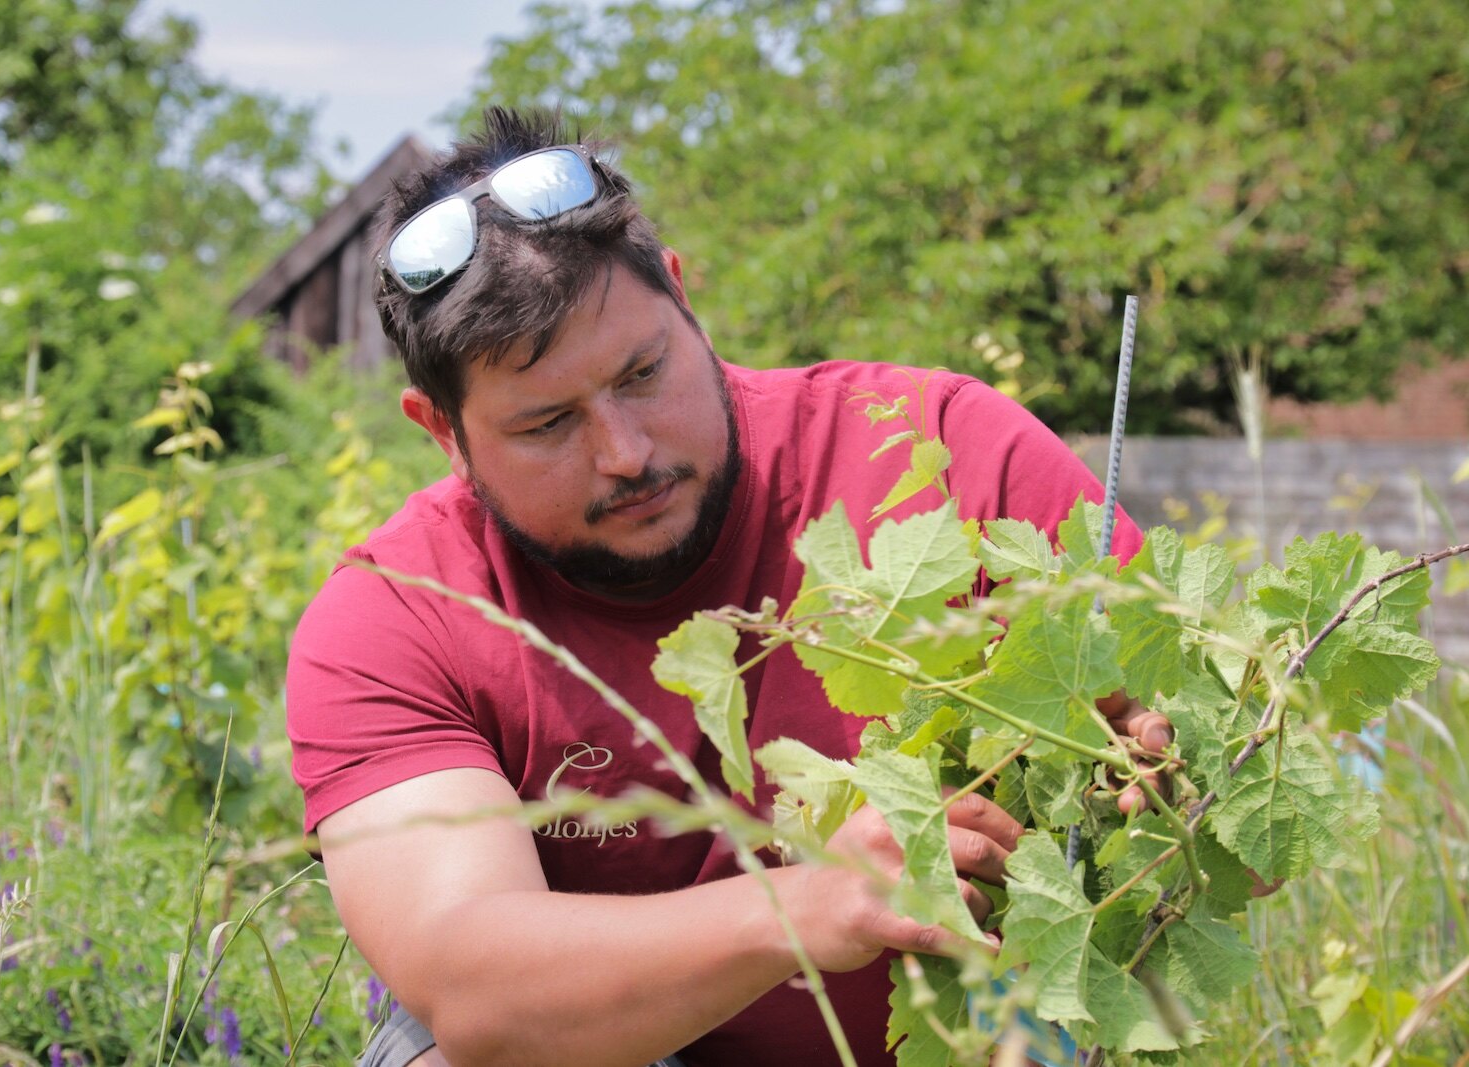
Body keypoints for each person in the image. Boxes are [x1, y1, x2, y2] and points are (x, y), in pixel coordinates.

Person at [286, 107, 1166, 1067]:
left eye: (643, 372)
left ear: (682, 296)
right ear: (442, 433)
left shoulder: (942, 450)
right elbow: (472, 986)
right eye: (546, 426)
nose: (625, 452)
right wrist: (806, 907)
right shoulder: (398, 611)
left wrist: (1169, 782)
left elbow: (1235, 830)